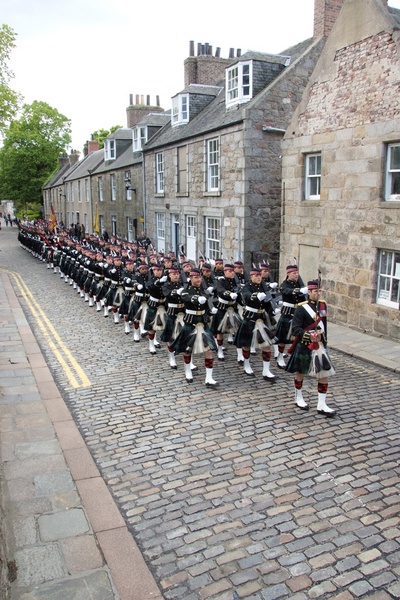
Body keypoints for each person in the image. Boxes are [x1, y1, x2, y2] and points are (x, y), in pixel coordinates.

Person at [285, 279, 336, 417]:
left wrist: (324, 341)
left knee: (324, 373)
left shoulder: (323, 305)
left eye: (320, 291)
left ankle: (322, 404)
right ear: (309, 292)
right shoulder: (301, 308)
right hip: (305, 344)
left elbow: (323, 325)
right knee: (300, 372)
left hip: (319, 345)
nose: (318, 294)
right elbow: (295, 329)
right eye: (315, 291)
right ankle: (299, 397)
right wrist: (308, 335)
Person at [170, 268, 218, 386]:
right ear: (190, 278)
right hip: (190, 324)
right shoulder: (186, 291)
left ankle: (209, 378)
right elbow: (186, 298)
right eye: (196, 277)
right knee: (187, 350)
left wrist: (212, 311)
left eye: (200, 277)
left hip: (203, 323)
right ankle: (187, 371)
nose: (199, 279)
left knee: (209, 350)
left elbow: (207, 306)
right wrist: (196, 299)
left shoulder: (203, 291)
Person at [234, 267, 278, 381]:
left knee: (267, 345)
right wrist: (256, 296)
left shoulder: (264, 287)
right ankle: (247, 365)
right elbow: (246, 295)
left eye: (259, 276)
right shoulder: (247, 287)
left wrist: (272, 310)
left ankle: (266, 370)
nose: (258, 277)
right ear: (251, 277)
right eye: (256, 276)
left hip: (261, 319)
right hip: (250, 318)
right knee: (246, 344)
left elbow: (267, 302)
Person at [275, 265, 308, 369]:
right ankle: (280, 357)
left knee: (299, 338)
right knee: (282, 339)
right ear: (288, 274)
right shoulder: (284, 284)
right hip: (288, 313)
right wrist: (298, 291)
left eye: (297, 273)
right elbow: (286, 291)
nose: (296, 275)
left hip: (299, 313)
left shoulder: (299, 283)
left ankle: (298, 359)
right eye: (294, 273)